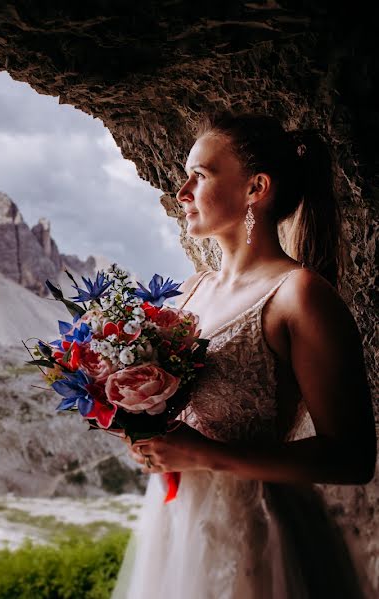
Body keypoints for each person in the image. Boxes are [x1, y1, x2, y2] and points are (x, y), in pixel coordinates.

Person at [109, 111, 377, 598]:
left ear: (255, 188)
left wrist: (207, 455)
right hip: (179, 526)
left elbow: (352, 458)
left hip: (260, 532)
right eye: (185, 176)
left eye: (201, 175)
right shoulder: (190, 292)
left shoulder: (298, 295)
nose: (182, 191)